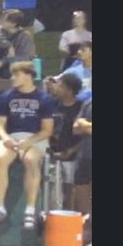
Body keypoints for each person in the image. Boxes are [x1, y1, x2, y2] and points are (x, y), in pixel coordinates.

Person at [0, 61, 54, 229]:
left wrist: (29, 142)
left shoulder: (44, 98)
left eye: (16, 74)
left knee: (31, 161)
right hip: (12, 136)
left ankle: (30, 210)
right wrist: (5, 138)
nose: (12, 78)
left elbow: (47, 130)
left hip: (35, 138)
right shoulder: (6, 97)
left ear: (28, 75)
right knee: (1, 157)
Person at [46, 73, 83, 212]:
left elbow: (84, 135)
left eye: (61, 86)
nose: (57, 88)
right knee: (49, 189)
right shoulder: (51, 104)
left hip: (72, 155)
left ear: (70, 90)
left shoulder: (81, 107)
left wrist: (70, 151)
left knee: (69, 189)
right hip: (51, 154)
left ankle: (68, 217)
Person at [72, 95, 92, 246]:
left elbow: (82, 125)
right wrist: (84, 125)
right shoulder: (88, 103)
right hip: (86, 154)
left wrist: (85, 124)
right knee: (80, 186)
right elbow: (76, 128)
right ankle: (86, 228)